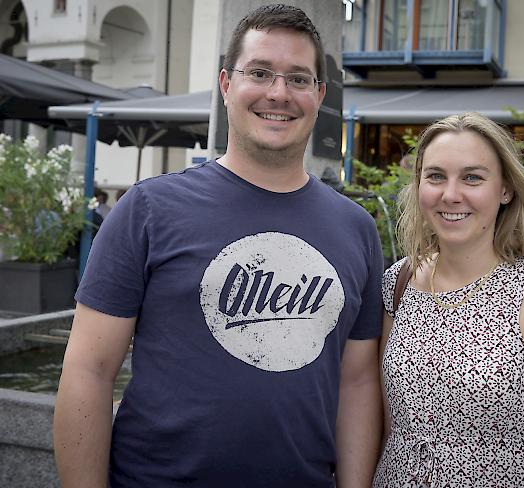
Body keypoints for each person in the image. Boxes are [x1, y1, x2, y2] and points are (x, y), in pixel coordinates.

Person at [54, 5, 383, 487]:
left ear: (319, 94)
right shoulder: (148, 209)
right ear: (227, 85)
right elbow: (89, 369)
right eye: (261, 73)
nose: (279, 93)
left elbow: (356, 383)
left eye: (298, 79)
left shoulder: (357, 228)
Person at [373, 113, 524, 487]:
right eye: (436, 176)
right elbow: (386, 428)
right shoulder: (399, 280)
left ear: (506, 190)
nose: (451, 194)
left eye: (472, 177)